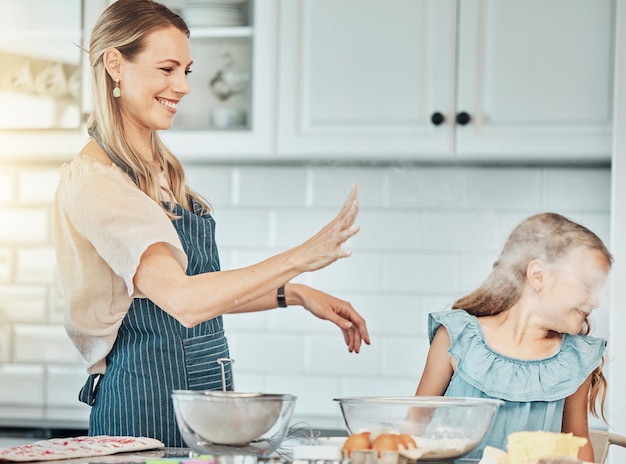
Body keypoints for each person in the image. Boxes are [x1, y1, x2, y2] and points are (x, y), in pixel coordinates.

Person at [52, 0, 370, 447]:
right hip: (145, 406)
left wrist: (293, 294)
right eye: (166, 69)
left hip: (198, 399)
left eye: (187, 70)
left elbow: (195, 288)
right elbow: (184, 301)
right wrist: (301, 258)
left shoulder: (157, 169)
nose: (181, 86)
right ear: (115, 64)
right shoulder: (97, 182)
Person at [415, 212, 611, 462]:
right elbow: (414, 429)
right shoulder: (457, 338)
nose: (595, 301)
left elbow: (578, 448)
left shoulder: (575, 360)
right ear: (538, 275)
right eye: (588, 284)